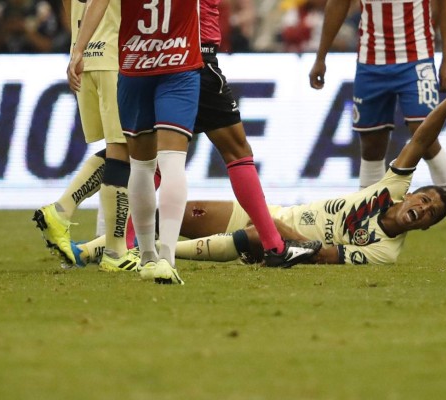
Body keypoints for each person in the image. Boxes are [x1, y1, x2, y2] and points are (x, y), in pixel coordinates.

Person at [74, 67, 446, 266]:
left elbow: (325, 256)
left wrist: (276, 238)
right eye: (427, 198)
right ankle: (95, 250)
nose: (425, 207)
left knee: (217, 235)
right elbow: (419, 139)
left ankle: (147, 258)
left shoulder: (385, 252)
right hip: (275, 217)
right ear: (413, 193)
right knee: (176, 214)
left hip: (282, 241)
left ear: (425, 226)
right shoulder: (391, 190)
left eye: (431, 213)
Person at [67, 0, 322, 271]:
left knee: (152, 162)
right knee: (234, 151)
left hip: (148, 57)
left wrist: (78, 49)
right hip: (191, 57)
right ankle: (274, 246)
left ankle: (119, 245)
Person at [308, 0, 446, 258]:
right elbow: (338, 4)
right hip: (370, 63)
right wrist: (321, 56)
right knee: (372, 146)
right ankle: (363, 224)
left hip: (416, 59)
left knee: (426, 138)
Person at [66, 0, 206, 285]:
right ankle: (166, 258)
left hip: (135, 66)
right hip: (179, 64)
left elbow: (98, 3)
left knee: (141, 166)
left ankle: (146, 257)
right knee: (172, 162)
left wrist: (78, 49)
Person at [33, 0, 140, 273]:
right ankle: (114, 250)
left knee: (121, 149)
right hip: (114, 55)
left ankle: (64, 213)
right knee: (125, 150)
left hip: (87, 61)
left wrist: (77, 48)